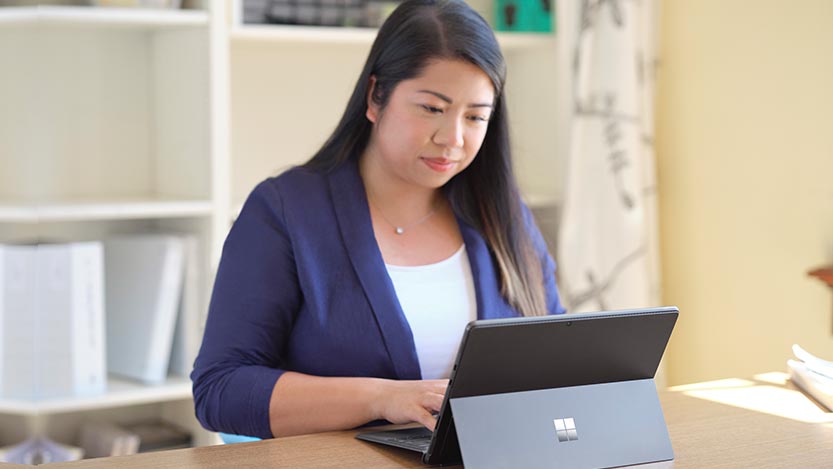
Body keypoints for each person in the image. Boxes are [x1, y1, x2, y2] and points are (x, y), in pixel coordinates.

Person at [191, 0, 566, 441]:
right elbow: (220, 390)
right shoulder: (285, 211)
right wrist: (381, 398)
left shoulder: (502, 215)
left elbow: (557, 364)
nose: (453, 139)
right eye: (431, 108)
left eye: (476, 116)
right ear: (375, 97)